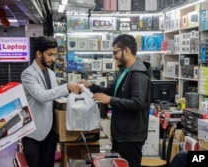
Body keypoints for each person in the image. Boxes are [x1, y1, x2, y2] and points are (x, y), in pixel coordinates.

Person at [80, 34, 151, 167]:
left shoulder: (138, 75)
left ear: (126, 51)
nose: (114, 56)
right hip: (121, 134)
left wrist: (110, 100)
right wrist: (92, 86)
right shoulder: (125, 71)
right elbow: (113, 91)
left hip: (131, 136)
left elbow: (138, 103)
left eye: (115, 52)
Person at [21, 36, 81, 167]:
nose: (53, 59)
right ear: (38, 53)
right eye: (50, 54)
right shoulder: (28, 74)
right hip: (33, 134)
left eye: (54, 55)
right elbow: (41, 96)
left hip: (50, 133)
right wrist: (66, 87)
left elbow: (53, 97)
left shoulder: (51, 74)